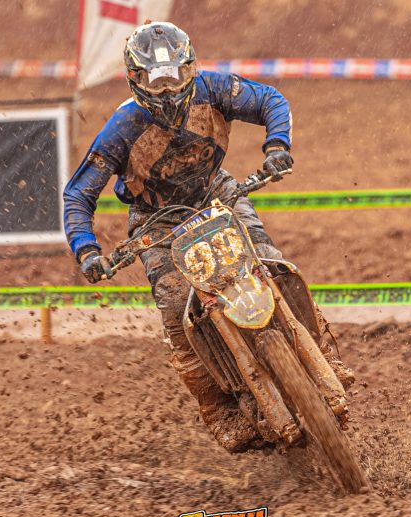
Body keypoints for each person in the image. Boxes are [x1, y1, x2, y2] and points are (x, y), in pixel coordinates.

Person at [62, 21, 294, 453]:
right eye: (156, 81)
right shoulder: (122, 127)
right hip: (156, 219)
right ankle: (217, 408)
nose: (168, 91)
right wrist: (87, 250)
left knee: (269, 261)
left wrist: (277, 146)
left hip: (215, 190)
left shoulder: (215, 89)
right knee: (175, 304)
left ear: (191, 69)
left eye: (175, 77)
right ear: (136, 79)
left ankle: (321, 347)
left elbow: (270, 100)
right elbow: (79, 194)